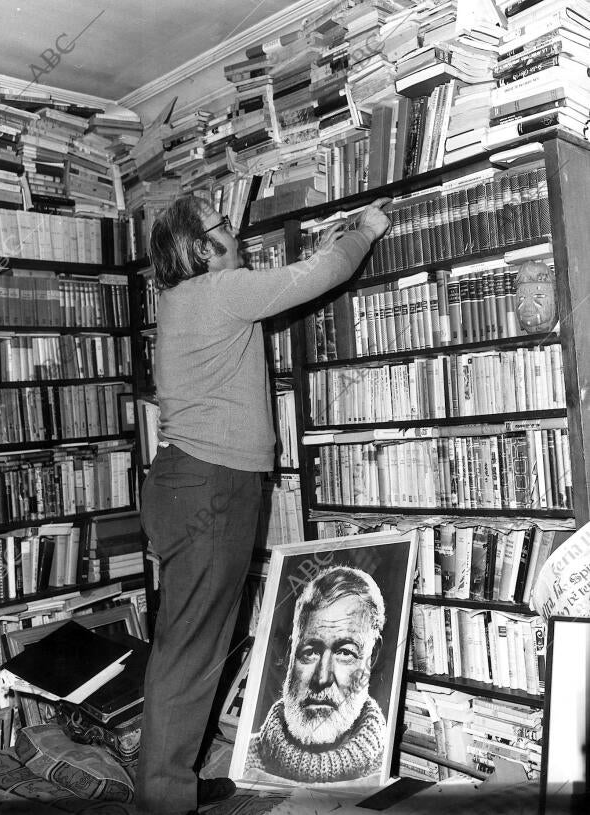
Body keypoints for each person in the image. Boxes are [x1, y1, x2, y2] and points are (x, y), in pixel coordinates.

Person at [134, 195, 392, 815]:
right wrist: (366, 230)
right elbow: (320, 276)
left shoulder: (190, 297)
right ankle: (162, 801)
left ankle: (177, 782)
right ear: (202, 248)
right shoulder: (218, 290)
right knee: (190, 649)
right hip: (209, 485)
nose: (236, 236)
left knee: (197, 642)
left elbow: (283, 281)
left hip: (195, 483)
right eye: (224, 229)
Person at [245, 565, 387, 784]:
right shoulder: (243, 763)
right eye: (309, 652)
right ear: (290, 653)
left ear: (372, 656)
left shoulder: (387, 774)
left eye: (345, 652)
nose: (322, 678)